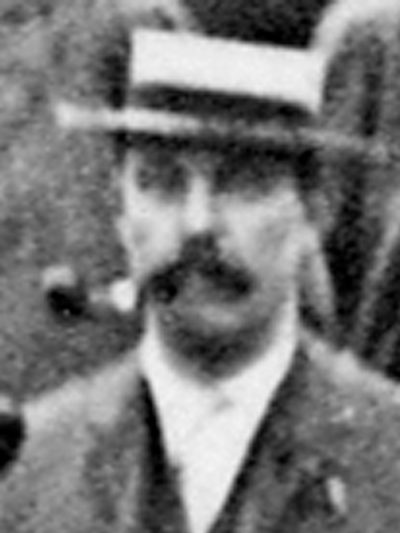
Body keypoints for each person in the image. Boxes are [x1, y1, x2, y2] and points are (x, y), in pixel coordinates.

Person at [2, 4, 400, 533]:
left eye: (244, 184)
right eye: (162, 182)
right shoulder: (28, 468)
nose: (197, 224)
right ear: (119, 207)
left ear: (314, 211)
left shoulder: (387, 456)